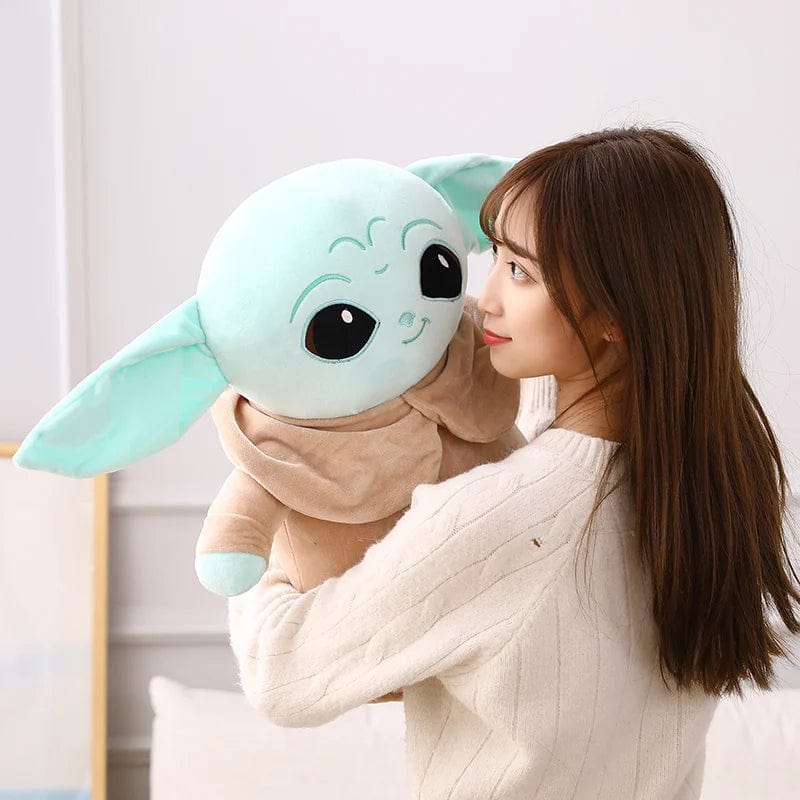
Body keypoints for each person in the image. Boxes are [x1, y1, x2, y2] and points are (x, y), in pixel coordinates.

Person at [227, 127, 800, 799]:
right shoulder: (721, 485)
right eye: (493, 255)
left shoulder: (495, 518)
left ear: (615, 314)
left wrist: (265, 505)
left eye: (521, 271)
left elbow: (282, 673)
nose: (486, 297)